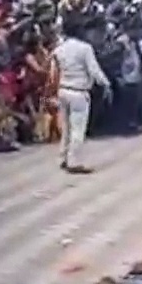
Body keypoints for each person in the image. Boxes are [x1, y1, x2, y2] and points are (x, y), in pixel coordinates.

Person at [52, 18, 109, 174]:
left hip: (63, 89)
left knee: (66, 128)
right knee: (78, 129)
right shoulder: (85, 48)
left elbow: (54, 71)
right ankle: (74, 162)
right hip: (79, 91)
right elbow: (94, 70)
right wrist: (105, 83)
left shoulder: (59, 49)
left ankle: (62, 158)